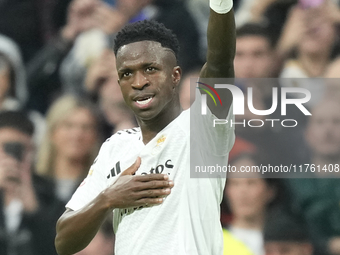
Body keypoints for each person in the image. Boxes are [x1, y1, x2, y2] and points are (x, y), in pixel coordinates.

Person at [55, 0, 236, 254]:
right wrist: (108, 199)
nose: (139, 82)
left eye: (150, 69)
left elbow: (219, 63)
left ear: (175, 76)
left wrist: (220, 4)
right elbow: (63, 241)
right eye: (127, 74)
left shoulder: (201, 128)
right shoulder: (115, 147)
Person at [0, 111, 65, 255]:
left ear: (31, 150)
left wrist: (34, 211)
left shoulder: (51, 195)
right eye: (6, 147)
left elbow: (59, 248)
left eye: (19, 148)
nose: (12, 155)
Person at [36, 94, 103, 203]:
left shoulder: (103, 186)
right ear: (52, 133)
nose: (77, 135)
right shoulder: (32, 184)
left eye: (86, 127)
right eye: (68, 126)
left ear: (95, 136)